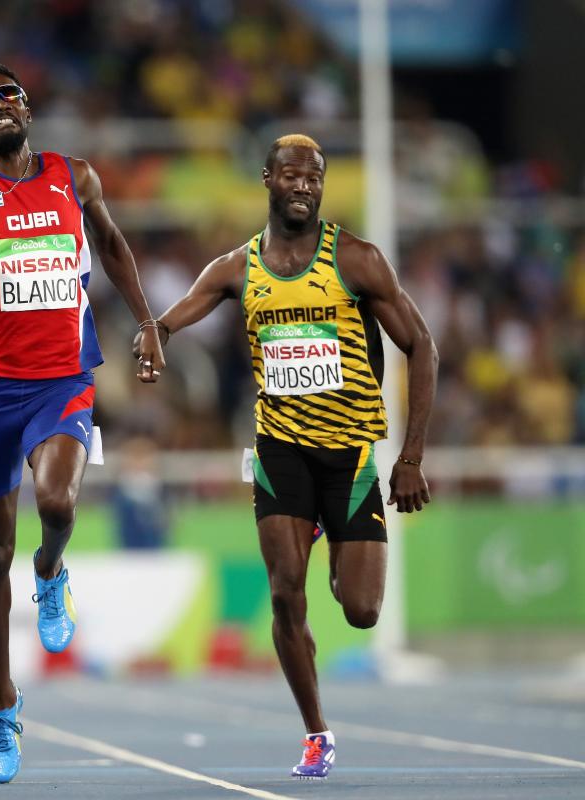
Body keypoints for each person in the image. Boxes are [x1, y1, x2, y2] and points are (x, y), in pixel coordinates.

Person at [0, 63, 164, 783]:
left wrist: (147, 323)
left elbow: (110, 246)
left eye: (12, 96)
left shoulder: (74, 175)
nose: (2, 105)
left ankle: (50, 569)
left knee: (56, 500)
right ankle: (4, 704)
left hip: (65, 380)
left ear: (29, 111)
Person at [147, 135, 437, 780]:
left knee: (360, 610)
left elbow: (423, 347)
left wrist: (410, 456)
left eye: (315, 177)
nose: (304, 186)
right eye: (292, 176)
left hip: (350, 455)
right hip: (279, 452)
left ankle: (333, 535)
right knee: (285, 595)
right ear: (267, 180)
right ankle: (316, 732)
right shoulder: (237, 267)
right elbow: (176, 315)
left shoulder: (356, 259)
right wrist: (156, 334)